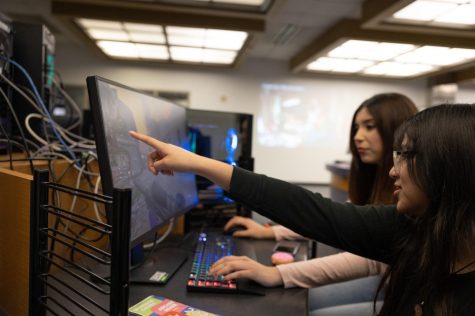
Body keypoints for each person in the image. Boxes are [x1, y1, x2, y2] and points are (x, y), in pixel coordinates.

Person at [129, 103, 475, 315]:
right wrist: (201, 164)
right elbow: (313, 211)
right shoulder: (412, 227)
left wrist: (281, 274)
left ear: (450, 167)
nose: (392, 169)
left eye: (406, 156)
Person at [218, 93, 418, 314]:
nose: (358, 137)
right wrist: (271, 233)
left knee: (313, 311)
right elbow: (333, 220)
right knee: (306, 302)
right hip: (388, 282)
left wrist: (277, 274)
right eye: (356, 128)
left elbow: (366, 257)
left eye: (369, 127)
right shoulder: (373, 181)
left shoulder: (409, 195)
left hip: (402, 292)